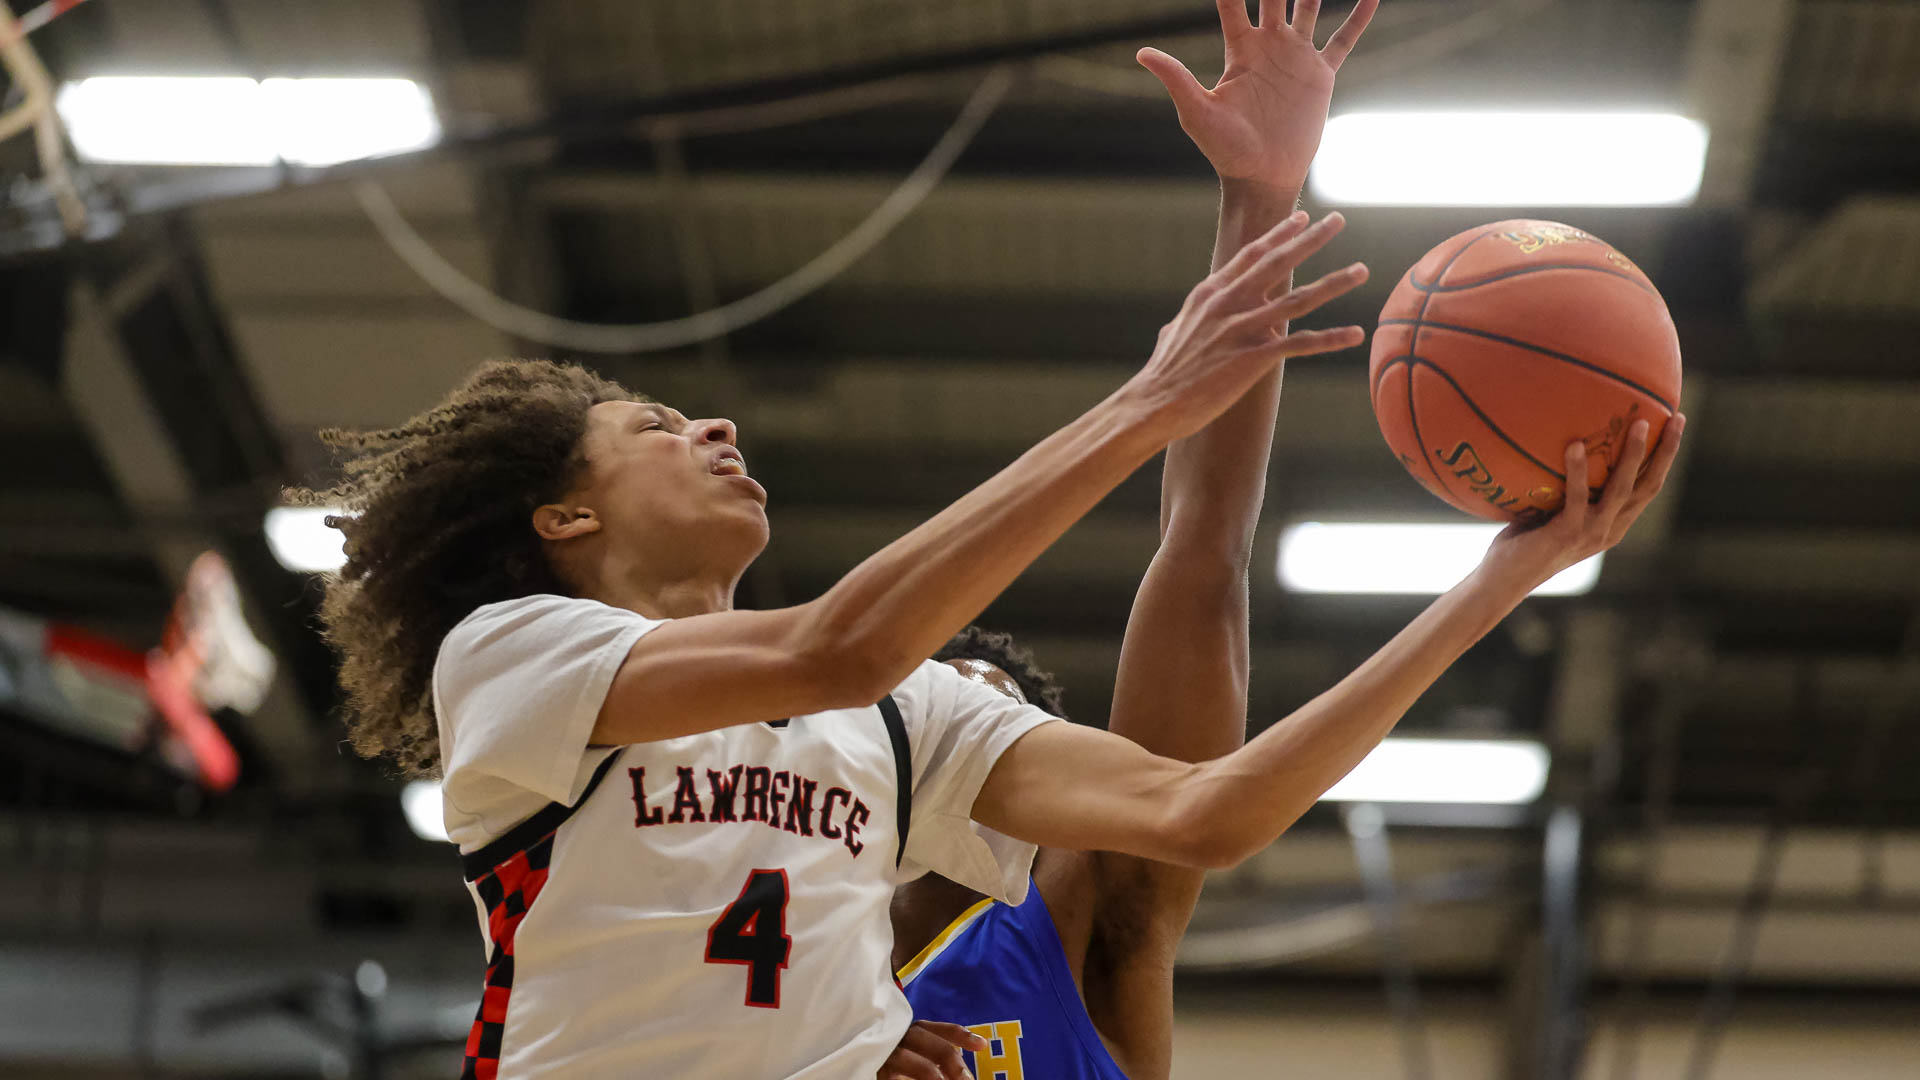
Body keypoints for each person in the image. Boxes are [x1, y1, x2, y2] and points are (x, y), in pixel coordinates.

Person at [299, 200, 1372, 1077]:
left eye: (989, 698)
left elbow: (1201, 762)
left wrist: (1260, 198)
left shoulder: (908, 764)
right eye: (658, 426)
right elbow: (842, 650)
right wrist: (1148, 402)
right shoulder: (516, 651)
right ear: (564, 516)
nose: (716, 425)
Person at [878, 6, 1384, 1077]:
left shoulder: (1095, 925)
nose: (959, 736)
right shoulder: (770, 959)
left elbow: (1204, 559)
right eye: (930, 713)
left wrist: (1260, 198)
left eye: (992, 720)